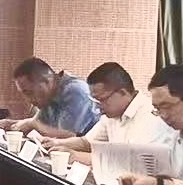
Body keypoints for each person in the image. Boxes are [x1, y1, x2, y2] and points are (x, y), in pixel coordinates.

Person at [45, 62, 173, 162]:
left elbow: (132, 162)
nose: (97, 108)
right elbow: (88, 142)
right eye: (95, 100)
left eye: (102, 100)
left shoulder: (150, 116)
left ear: (122, 92)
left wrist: (76, 156)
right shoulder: (111, 115)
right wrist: (56, 143)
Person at [0, 57, 98, 139]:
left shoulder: (76, 90)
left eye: (29, 92)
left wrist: (33, 124)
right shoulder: (49, 97)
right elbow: (39, 125)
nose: (28, 100)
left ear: (47, 81)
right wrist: (6, 124)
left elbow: (69, 135)